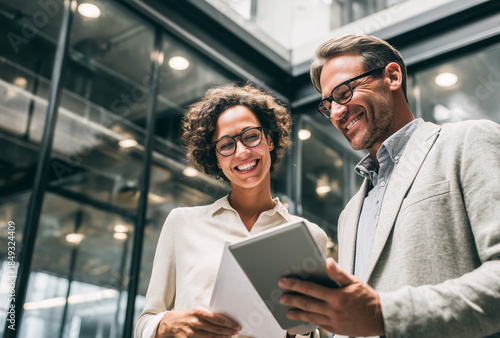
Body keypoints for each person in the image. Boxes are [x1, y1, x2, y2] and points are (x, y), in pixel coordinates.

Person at [278, 34, 500, 338]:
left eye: (343, 93)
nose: (336, 112)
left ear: (392, 77)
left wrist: (384, 314)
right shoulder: (349, 214)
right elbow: (358, 323)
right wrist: (304, 329)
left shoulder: (468, 141)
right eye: (327, 104)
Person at [135, 83, 328, 338]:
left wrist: (297, 332)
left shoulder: (309, 235)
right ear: (216, 158)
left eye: (251, 136)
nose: (242, 152)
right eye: (226, 145)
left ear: (269, 140)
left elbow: (313, 330)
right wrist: (167, 324)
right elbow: (143, 324)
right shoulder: (182, 223)